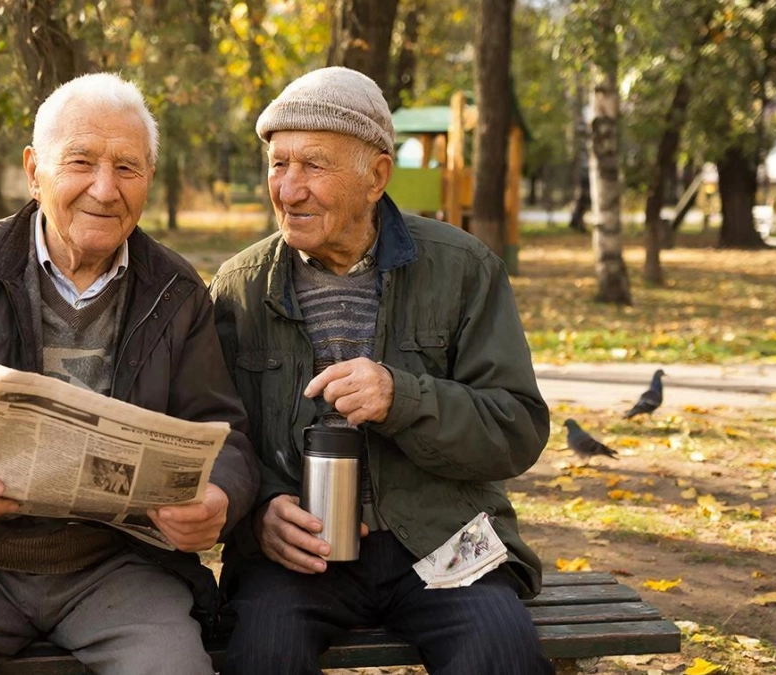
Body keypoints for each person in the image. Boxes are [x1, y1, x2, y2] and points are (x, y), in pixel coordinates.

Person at [0, 72, 258, 675]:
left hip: (119, 565)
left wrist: (218, 496)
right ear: (34, 170)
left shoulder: (176, 292)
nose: (104, 188)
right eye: (82, 161)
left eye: (127, 167)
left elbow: (223, 431)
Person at [209, 66, 553, 675]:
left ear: (377, 176)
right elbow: (217, 436)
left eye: (313, 166)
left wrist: (403, 397)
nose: (288, 190)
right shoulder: (238, 288)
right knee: (263, 654)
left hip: (440, 540)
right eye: (278, 164)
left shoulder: (463, 267)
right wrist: (261, 513)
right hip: (300, 555)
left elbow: (517, 428)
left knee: (500, 652)